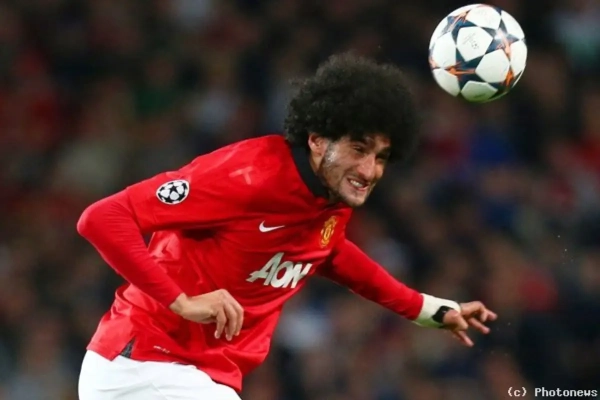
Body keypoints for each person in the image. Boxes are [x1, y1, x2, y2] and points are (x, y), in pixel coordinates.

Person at [76, 53, 497, 400]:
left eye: (381, 157)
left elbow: (331, 252)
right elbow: (102, 218)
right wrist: (181, 301)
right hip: (144, 364)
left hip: (197, 375)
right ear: (317, 139)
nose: (369, 170)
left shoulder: (329, 196)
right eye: (358, 148)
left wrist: (427, 309)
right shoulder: (247, 176)